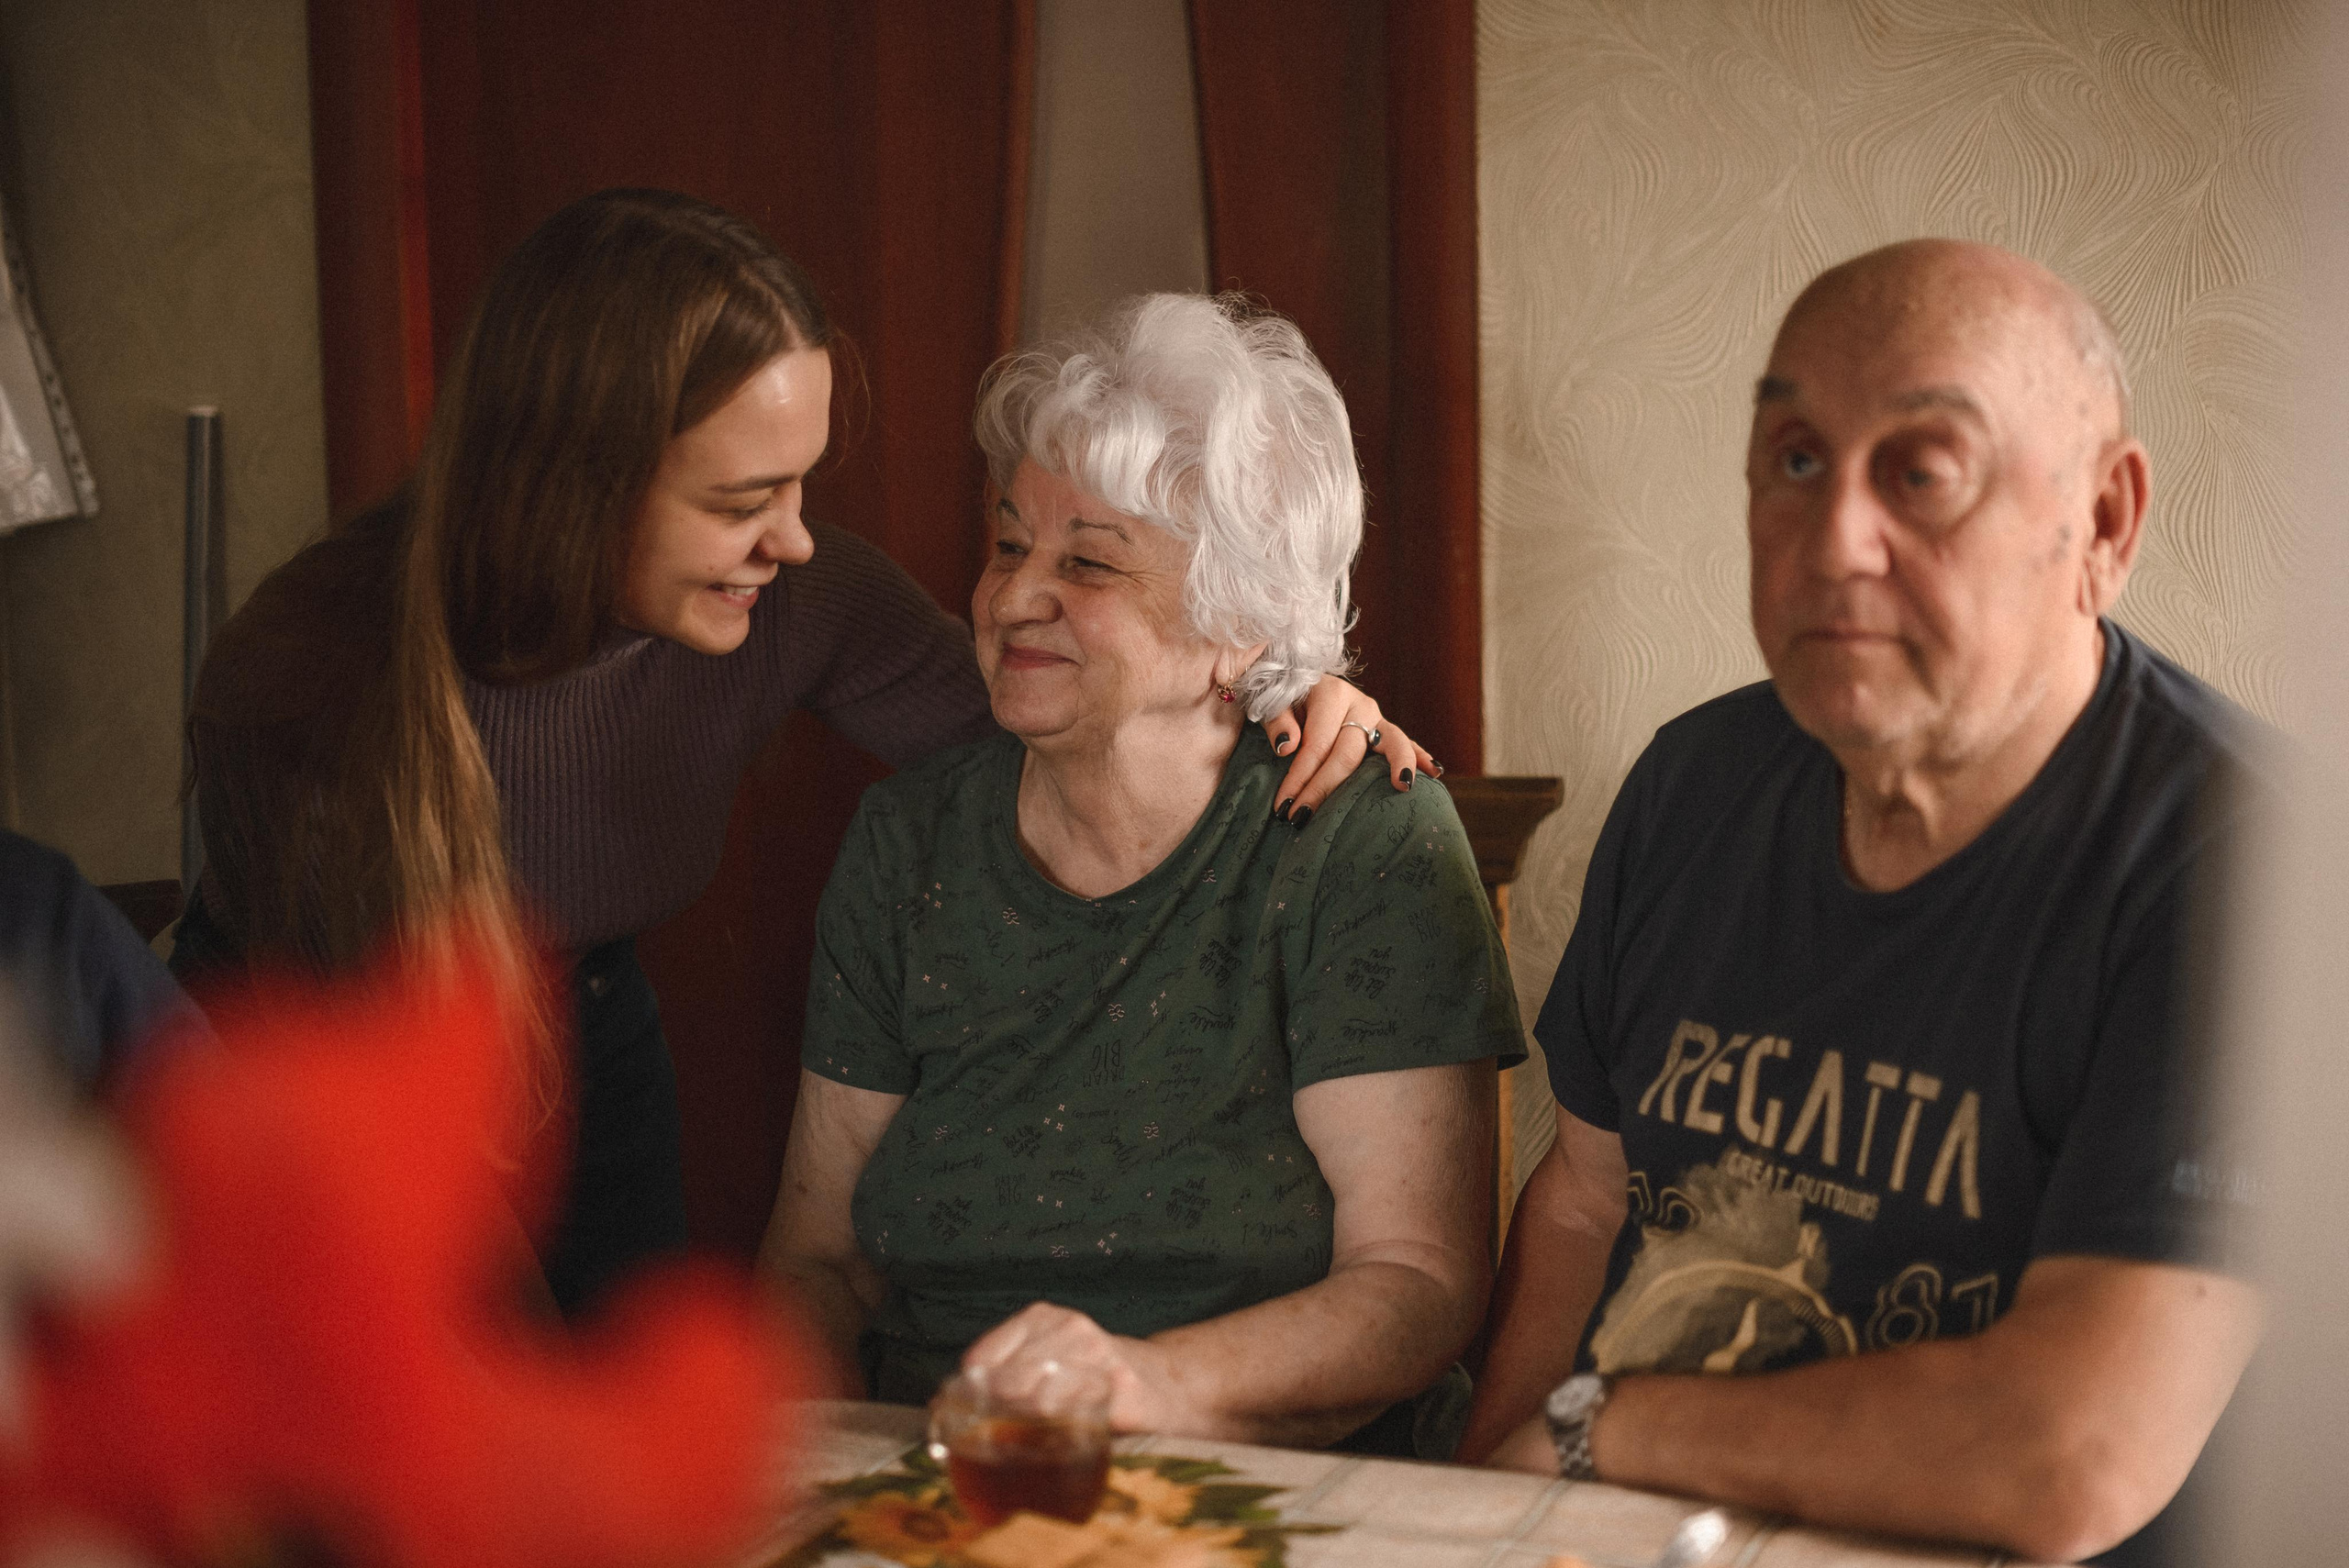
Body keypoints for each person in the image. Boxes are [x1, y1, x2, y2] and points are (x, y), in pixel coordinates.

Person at [175, 190, 1427, 1320]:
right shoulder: (313, 675)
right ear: (574, 482)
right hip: (302, 1070)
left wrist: (1284, 671)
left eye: (800, 487)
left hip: (584, 1018)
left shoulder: (796, 602)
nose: (796, 541)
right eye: (739, 503)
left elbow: (1073, 703)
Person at [1459, 239, 2261, 1568]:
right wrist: (1476, 1518)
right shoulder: (1692, 782)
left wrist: (1600, 1429)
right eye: (1794, 460)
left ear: (2104, 523)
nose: (1834, 540)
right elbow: (1586, 1201)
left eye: (1921, 473)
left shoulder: (2247, 874)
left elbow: (2070, 1453)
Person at [757, 294, 1524, 1455]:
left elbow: (1416, 1281)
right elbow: (818, 1262)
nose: (1013, 596)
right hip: (944, 1466)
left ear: (1241, 622)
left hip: (1264, 1474)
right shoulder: (907, 842)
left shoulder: (1359, 841)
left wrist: (1147, 1385)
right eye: (1009, 543)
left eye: (1089, 562)